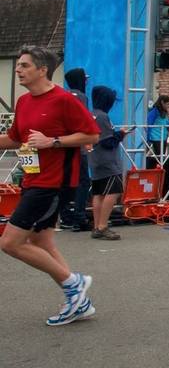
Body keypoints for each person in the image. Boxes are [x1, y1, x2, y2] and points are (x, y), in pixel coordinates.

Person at [0, 46, 100, 326]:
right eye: (18, 65)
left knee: (9, 243)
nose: (18, 70)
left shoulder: (64, 100)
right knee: (40, 241)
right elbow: (15, 138)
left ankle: (73, 283)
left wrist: (53, 141)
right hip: (33, 178)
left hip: (54, 183)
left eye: (24, 65)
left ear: (42, 70)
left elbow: (92, 134)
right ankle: (78, 300)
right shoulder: (23, 102)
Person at [88, 86, 132, 241]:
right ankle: (102, 226)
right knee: (113, 192)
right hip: (108, 162)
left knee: (98, 193)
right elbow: (107, 142)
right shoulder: (102, 117)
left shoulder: (91, 115)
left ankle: (97, 225)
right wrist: (121, 134)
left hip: (95, 159)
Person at [58, 67, 92, 231]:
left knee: (65, 182)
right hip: (78, 145)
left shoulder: (63, 95)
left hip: (64, 145)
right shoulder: (81, 97)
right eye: (84, 78)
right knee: (83, 182)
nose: (86, 81)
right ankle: (79, 216)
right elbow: (84, 121)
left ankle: (65, 216)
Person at [147, 95, 169, 165]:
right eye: (167, 104)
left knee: (162, 157)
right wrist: (148, 139)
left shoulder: (164, 112)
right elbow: (148, 124)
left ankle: (161, 172)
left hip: (163, 137)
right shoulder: (154, 111)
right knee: (159, 158)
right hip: (156, 137)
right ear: (162, 102)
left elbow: (164, 122)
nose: (168, 106)